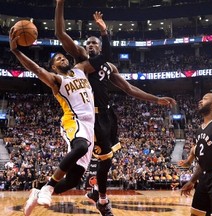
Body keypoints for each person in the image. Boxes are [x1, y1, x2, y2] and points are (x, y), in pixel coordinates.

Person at [54, 1, 176, 215]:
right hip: (88, 118)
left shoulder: (109, 66)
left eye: (94, 43)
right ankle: (99, 198)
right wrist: (60, 5)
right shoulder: (81, 59)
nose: (91, 46)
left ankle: (97, 195)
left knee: (107, 161)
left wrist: (156, 100)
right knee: (92, 164)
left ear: (101, 47)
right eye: (88, 43)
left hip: (107, 117)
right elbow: (61, 34)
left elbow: (129, 88)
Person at [9, 26, 108, 216]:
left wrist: (104, 34)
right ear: (53, 67)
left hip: (89, 125)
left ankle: (37, 192)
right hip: (73, 121)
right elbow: (36, 69)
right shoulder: (56, 80)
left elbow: (102, 58)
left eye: (63, 57)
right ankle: (48, 187)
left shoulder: (81, 69)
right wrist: (16, 50)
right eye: (58, 59)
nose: (63, 58)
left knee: (73, 179)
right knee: (80, 147)